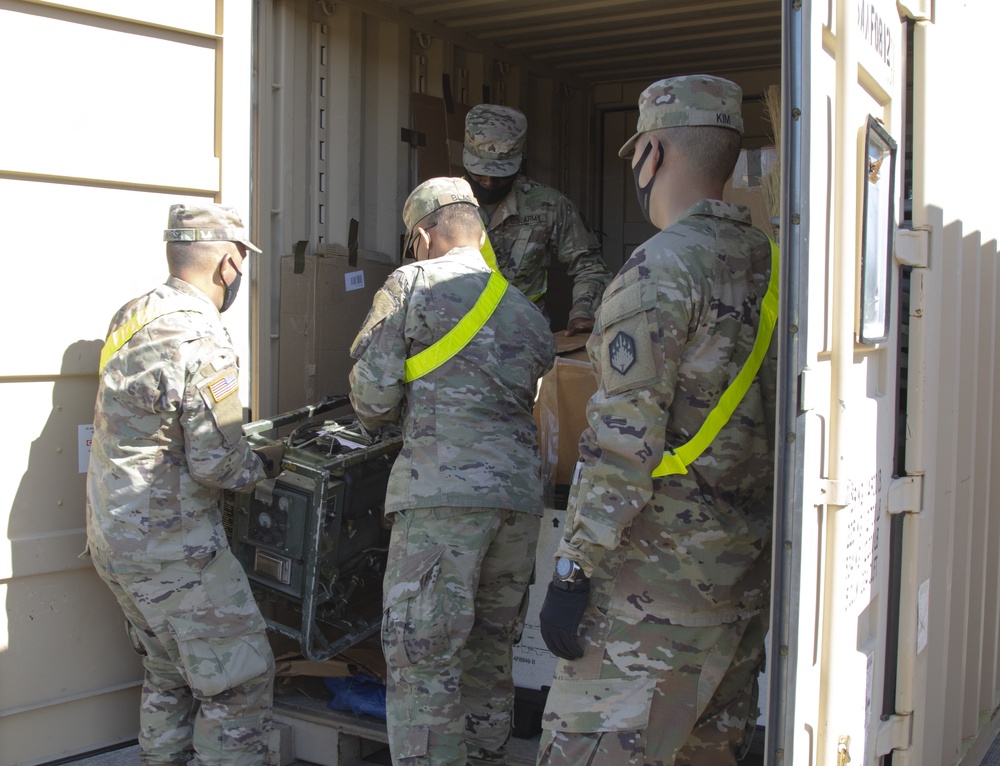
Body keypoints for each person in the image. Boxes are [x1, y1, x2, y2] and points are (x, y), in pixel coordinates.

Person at [535, 75, 778, 765]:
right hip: (740, 589)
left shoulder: (659, 271)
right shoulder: (775, 265)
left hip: (650, 600)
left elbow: (620, 445)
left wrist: (572, 572)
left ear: (652, 153)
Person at [349, 177, 556, 765]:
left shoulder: (410, 285)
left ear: (421, 235)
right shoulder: (522, 309)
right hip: (516, 503)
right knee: (490, 653)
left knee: (422, 659)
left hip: (442, 498)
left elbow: (373, 400)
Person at [85, 202, 286, 766]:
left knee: (169, 674)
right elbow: (218, 465)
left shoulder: (135, 313)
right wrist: (268, 465)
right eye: (241, 261)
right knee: (239, 683)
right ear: (229, 263)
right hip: (172, 546)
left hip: (114, 534)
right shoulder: (203, 335)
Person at [463, 103, 611, 335]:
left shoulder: (549, 205)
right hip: (458, 342)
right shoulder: (443, 203)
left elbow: (590, 266)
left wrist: (583, 311)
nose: (489, 182)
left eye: (501, 175)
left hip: (525, 338)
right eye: (479, 173)